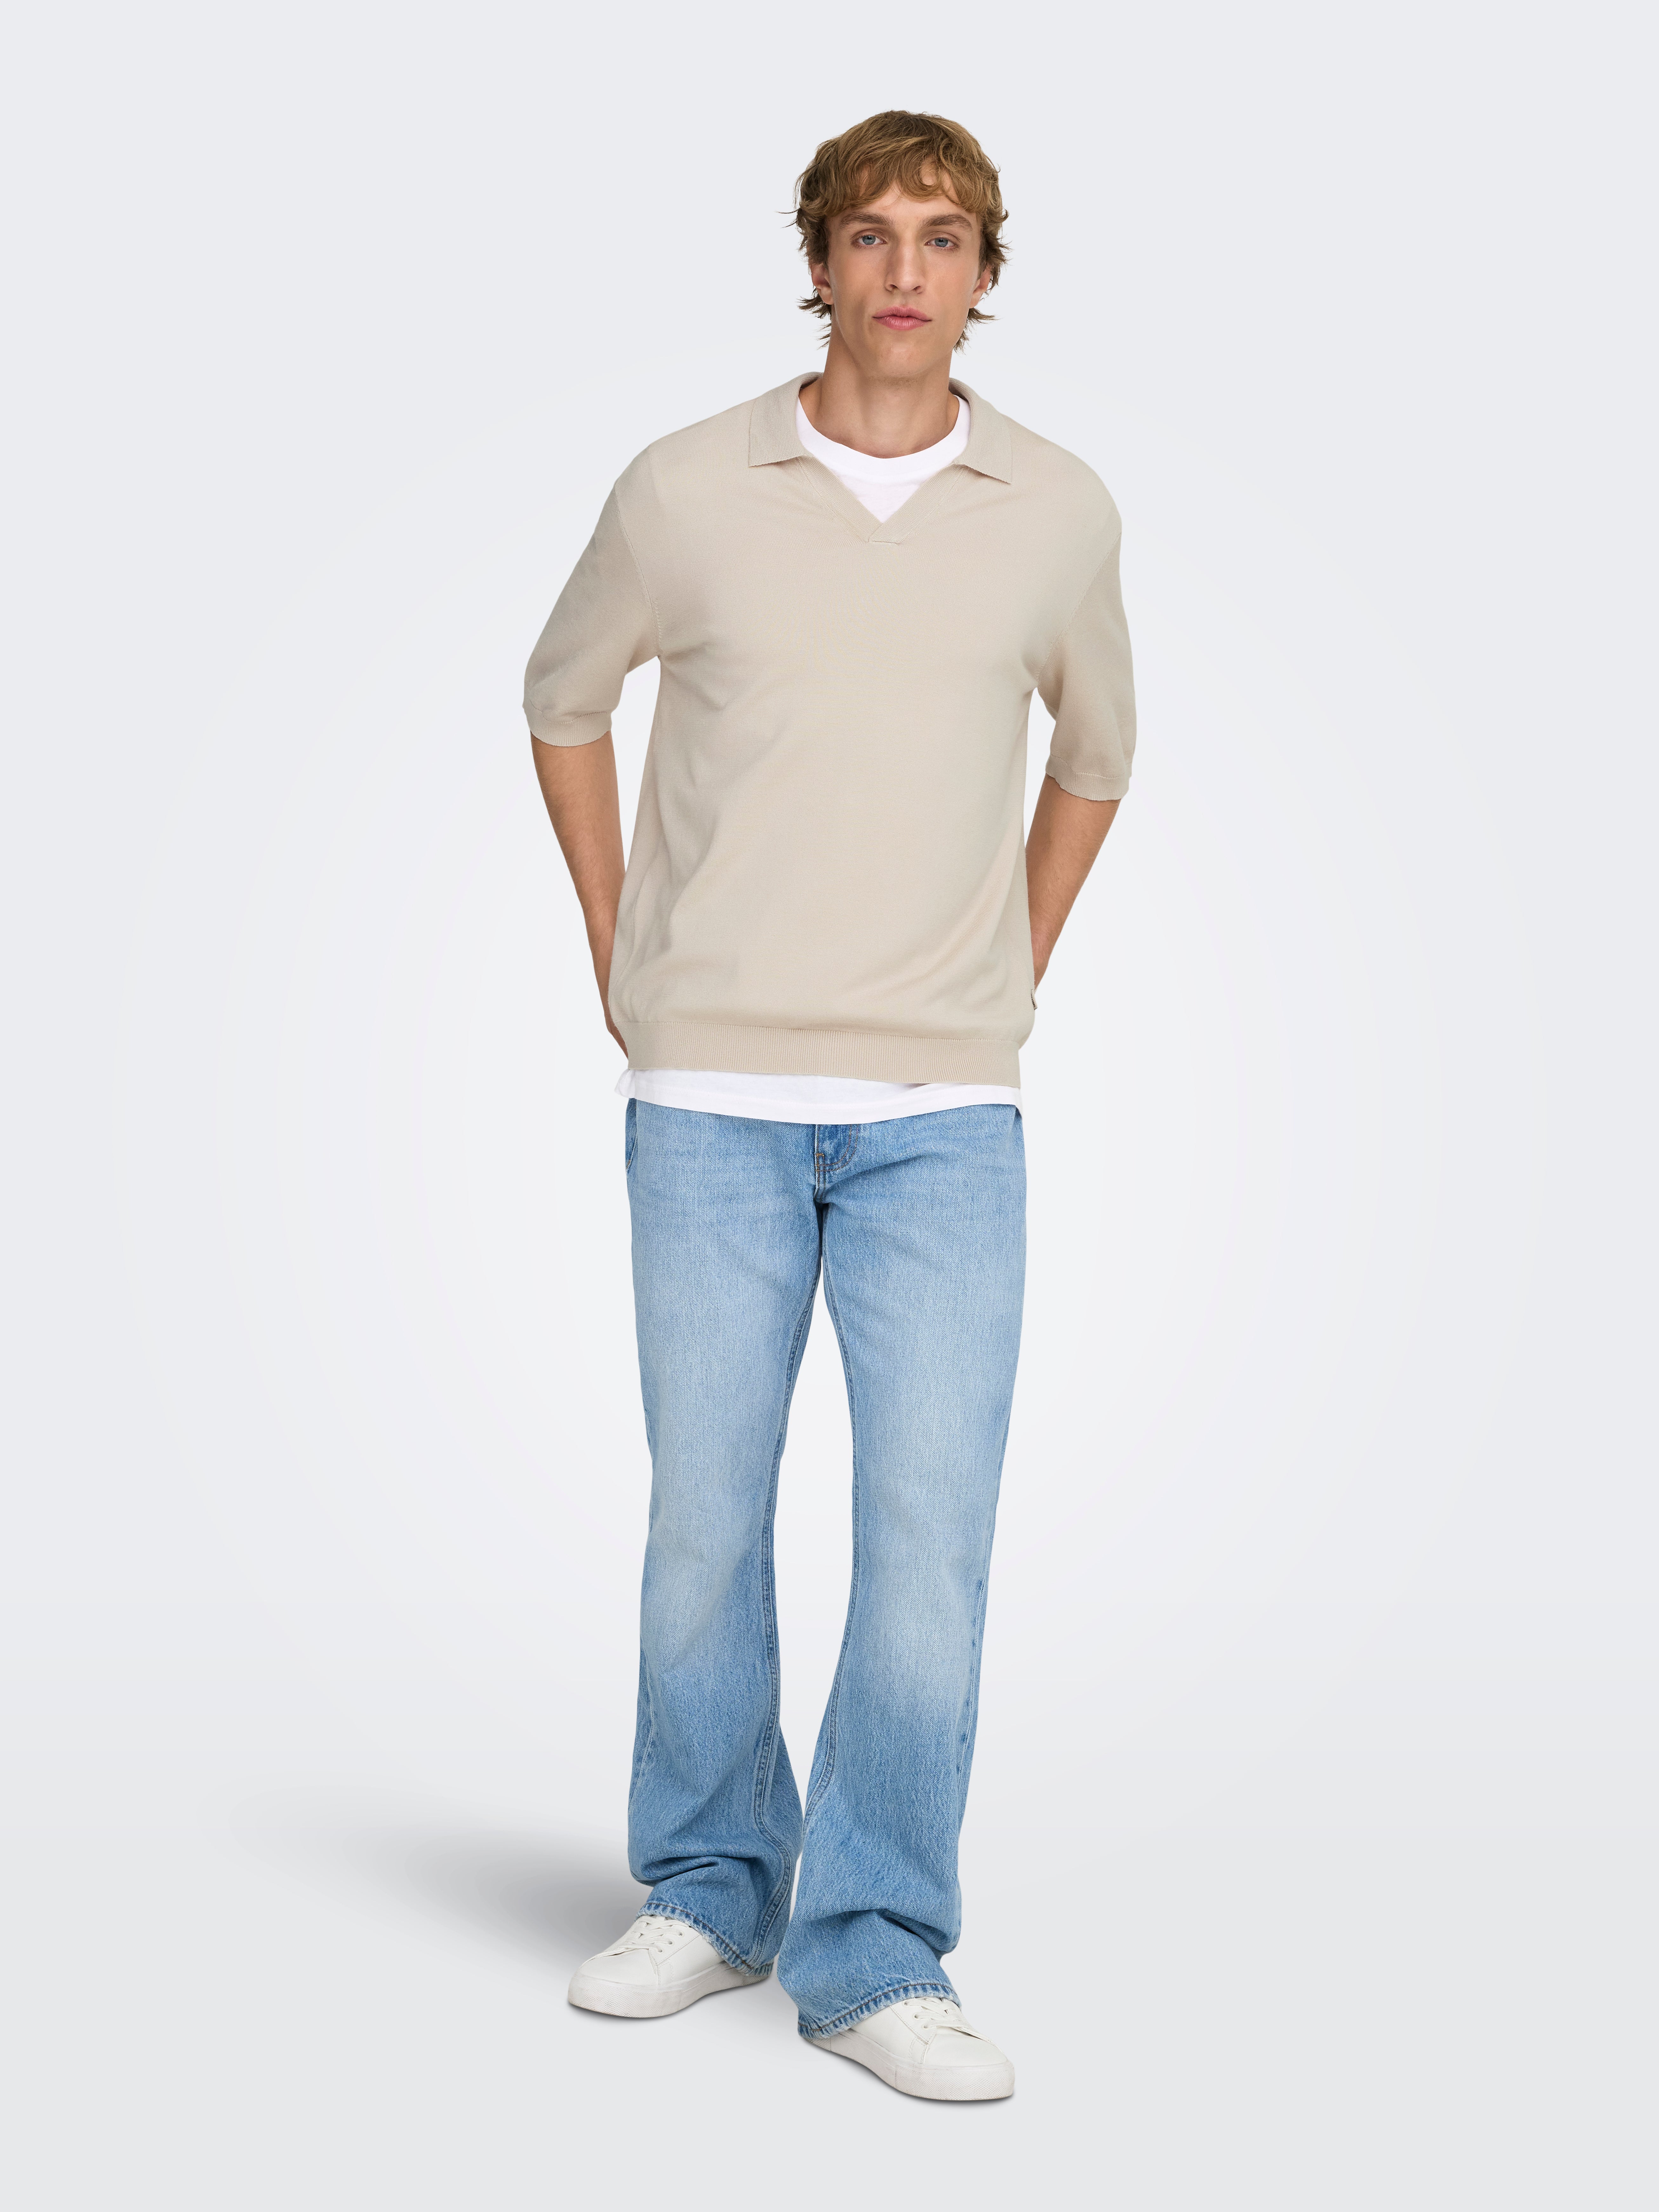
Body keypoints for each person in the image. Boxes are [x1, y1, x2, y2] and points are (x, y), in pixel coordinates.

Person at [524, 109, 1134, 2103]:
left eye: (943, 237)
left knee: (928, 1533)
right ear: (817, 262)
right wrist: (619, 940)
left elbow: (1099, 752)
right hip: (707, 1095)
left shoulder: (1056, 510)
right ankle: (712, 1884)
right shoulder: (686, 487)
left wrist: (1011, 961)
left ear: (986, 275)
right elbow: (563, 696)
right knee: (705, 1518)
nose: (904, 269)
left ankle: (876, 1946)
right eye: (869, 234)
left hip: (945, 1113)